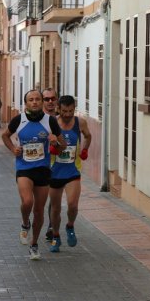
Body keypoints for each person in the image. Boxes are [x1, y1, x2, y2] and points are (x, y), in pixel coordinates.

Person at [1, 90, 66, 261]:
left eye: (38, 99)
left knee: (38, 211)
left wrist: (55, 143)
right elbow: (5, 135)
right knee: (27, 201)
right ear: (26, 103)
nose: (35, 102)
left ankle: (34, 243)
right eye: (31, 100)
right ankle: (24, 223)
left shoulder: (50, 121)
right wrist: (13, 149)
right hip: (24, 167)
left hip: (43, 169)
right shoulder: (18, 120)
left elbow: (62, 147)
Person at [48, 95, 91, 253]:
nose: (67, 114)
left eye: (71, 111)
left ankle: (70, 226)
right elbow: (44, 143)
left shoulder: (80, 122)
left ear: (74, 109)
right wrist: (51, 146)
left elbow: (88, 136)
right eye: (64, 111)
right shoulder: (52, 123)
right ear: (59, 108)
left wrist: (85, 149)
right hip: (54, 172)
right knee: (55, 208)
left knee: (72, 205)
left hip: (73, 171)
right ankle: (56, 236)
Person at [41, 88, 59, 242]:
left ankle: (52, 226)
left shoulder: (62, 119)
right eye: (46, 99)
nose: (50, 101)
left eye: (53, 98)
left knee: (54, 198)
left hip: (60, 164)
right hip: (43, 164)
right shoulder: (38, 120)